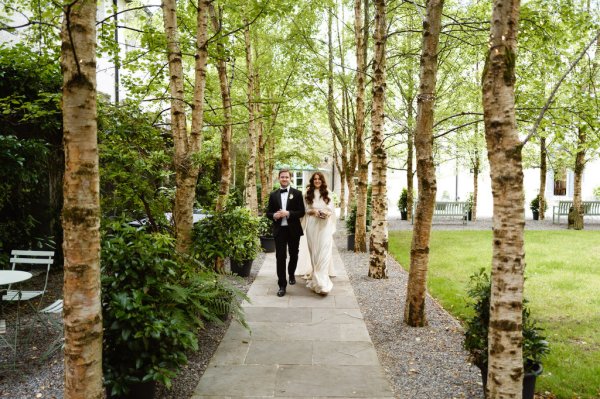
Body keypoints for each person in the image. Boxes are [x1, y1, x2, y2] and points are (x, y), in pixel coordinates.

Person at [266, 169, 306, 297]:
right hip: (280, 230)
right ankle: (282, 285)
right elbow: (268, 212)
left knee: (294, 254)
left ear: (290, 179)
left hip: (293, 229)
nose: (284, 179)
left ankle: (291, 273)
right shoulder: (273, 195)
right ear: (279, 178)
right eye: (282, 177)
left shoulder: (298, 193)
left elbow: (301, 212)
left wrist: (288, 213)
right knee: (280, 257)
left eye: (286, 177)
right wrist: (274, 215)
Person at [302, 172, 336, 295]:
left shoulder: (327, 193)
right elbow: (305, 210)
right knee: (315, 252)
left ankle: (323, 281)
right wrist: (314, 211)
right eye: (315, 179)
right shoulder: (307, 193)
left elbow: (331, 210)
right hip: (312, 225)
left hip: (325, 226)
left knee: (325, 251)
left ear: (322, 180)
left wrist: (326, 213)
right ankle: (317, 278)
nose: (317, 181)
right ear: (312, 181)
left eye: (319, 179)